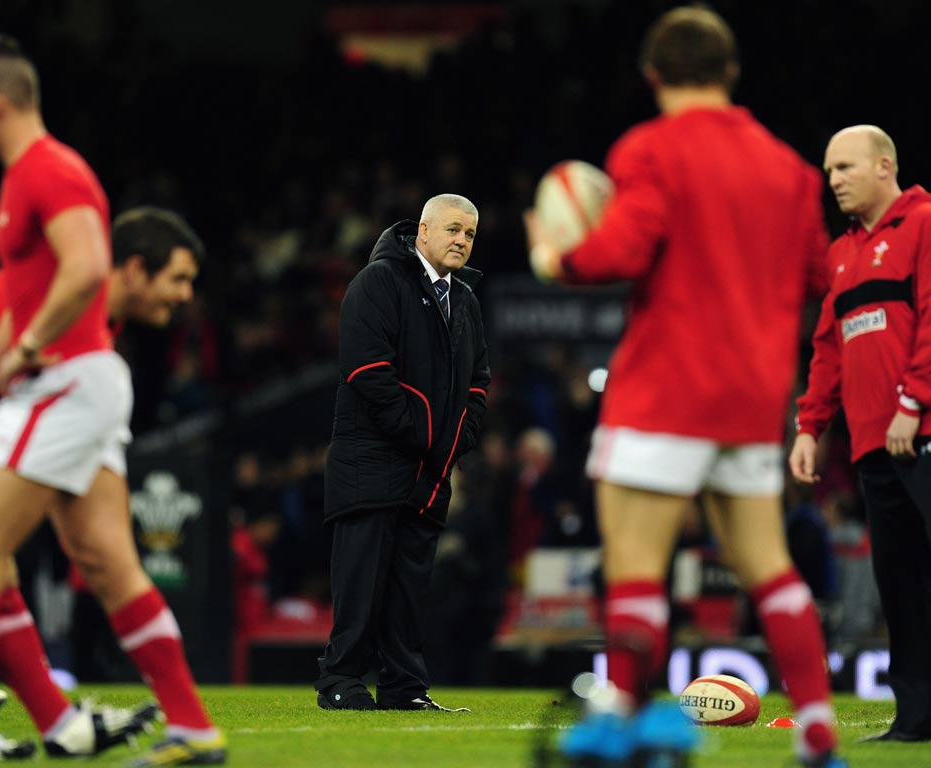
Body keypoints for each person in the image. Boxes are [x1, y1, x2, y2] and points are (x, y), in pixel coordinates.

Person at [524, 7, 841, 767]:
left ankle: (622, 728)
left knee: (636, 568)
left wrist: (550, 254)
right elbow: (821, 277)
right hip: (751, 400)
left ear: (654, 75)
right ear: (732, 75)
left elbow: (617, 252)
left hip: (665, 393)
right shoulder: (791, 171)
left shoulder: (652, 148)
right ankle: (820, 733)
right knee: (771, 568)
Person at [0, 35, 224, 766]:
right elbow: (32, 299)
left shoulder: (43, 172)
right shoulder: (39, 178)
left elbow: (83, 268)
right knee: (105, 563)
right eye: (176, 282)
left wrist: (8, 364)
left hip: (60, 381)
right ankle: (192, 727)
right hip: (68, 381)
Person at [315, 193, 490, 711]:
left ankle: (403, 688)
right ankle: (341, 679)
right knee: (361, 581)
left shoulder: (466, 301)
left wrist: (456, 439)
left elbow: (478, 384)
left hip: (427, 473)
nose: (462, 241)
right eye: (454, 230)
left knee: (409, 587)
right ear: (424, 232)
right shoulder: (378, 282)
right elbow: (367, 372)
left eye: (470, 234)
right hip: (372, 465)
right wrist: (427, 435)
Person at [791, 125, 931, 743]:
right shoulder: (842, 255)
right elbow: (828, 349)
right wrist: (809, 426)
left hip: (919, 432)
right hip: (874, 447)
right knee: (901, 586)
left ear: (884, 165)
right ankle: (917, 718)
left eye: (844, 167)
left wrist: (915, 401)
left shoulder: (925, 223)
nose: (834, 180)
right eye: (828, 171)